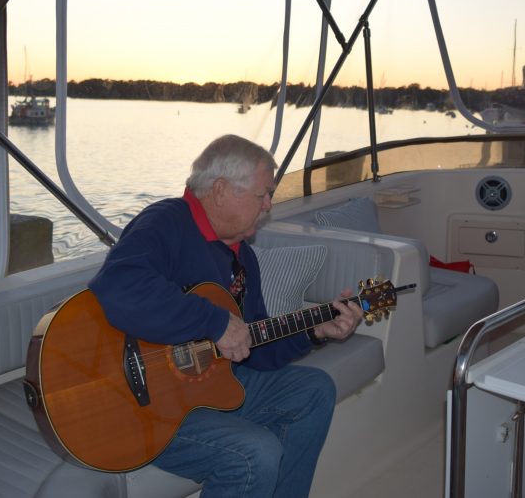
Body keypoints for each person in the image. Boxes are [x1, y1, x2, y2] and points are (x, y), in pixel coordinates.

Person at [89, 134, 364, 498]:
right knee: (256, 454)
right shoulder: (166, 223)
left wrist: (316, 331)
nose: (268, 205)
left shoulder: (241, 257)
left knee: (313, 390)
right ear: (221, 191)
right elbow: (118, 287)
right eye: (261, 194)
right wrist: (214, 322)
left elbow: (257, 348)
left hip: (205, 390)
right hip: (138, 406)